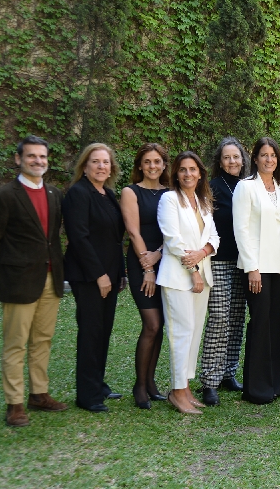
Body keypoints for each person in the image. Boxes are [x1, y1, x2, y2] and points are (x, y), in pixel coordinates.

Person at [0, 136, 67, 427]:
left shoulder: (54, 194)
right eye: (31, 156)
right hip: (18, 281)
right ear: (19, 159)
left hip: (50, 279)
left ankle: (39, 393)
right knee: (15, 344)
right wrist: (6, 272)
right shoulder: (3, 196)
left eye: (42, 157)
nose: (38, 161)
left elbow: (52, 237)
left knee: (43, 340)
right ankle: (14, 403)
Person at [63, 143, 126, 412]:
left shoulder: (108, 195)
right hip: (89, 276)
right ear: (85, 166)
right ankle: (87, 395)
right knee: (90, 333)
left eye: (106, 162)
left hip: (110, 275)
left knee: (103, 331)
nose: (102, 166)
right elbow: (79, 238)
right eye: (96, 162)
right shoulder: (78, 193)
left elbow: (114, 240)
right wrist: (99, 274)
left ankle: (98, 384)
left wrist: (119, 272)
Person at [232, 138, 280, 405]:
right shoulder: (246, 188)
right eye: (264, 155)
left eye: (273, 155)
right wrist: (252, 268)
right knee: (260, 323)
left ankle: (275, 383)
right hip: (258, 268)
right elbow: (241, 230)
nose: (269, 159)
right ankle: (256, 388)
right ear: (255, 159)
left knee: (276, 324)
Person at [156, 151, 220, 414]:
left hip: (202, 275)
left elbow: (214, 236)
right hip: (178, 277)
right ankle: (176, 391)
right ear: (176, 174)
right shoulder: (169, 199)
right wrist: (193, 268)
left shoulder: (203, 202)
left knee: (194, 332)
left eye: (193, 169)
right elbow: (172, 240)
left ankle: (186, 387)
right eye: (183, 170)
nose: (188, 174)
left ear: (200, 173)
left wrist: (203, 253)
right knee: (181, 333)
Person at [199, 138, 249, 407]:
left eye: (236, 157)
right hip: (219, 260)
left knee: (237, 318)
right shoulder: (212, 188)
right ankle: (210, 380)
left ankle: (228, 372)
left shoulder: (248, 185)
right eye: (227, 157)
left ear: (243, 159)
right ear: (219, 162)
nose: (232, 161)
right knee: (219, 317)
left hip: (243, 261)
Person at [121, 143, 170, 410]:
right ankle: (139, 386)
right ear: (140, 165)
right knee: (151, 324)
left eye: (158, 162)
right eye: (148, 162)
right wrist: (148, 267)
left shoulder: (171, 193)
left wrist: (160, 254)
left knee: (160, 324)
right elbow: (133, 231)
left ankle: (151, 383)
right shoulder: (131, 192)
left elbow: (174, 232)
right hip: (142, 263)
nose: (153, 166)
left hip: (167, 262)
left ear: (164, 165)